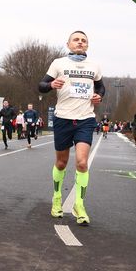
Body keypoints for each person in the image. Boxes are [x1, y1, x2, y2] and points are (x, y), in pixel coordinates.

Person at [38, 30, 105, 226]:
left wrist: (99, 96)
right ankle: (57, 197)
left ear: (87, 45)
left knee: (82, 163)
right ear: (68, 44)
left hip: (85, 119)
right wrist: (51, 85)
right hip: (63, 119)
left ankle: (79, 204)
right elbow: (41, 85)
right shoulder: (59, 63)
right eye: (76, 40)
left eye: (83, 41)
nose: (80, 43)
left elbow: (101, 87)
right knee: (61, 162)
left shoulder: (94, 66)